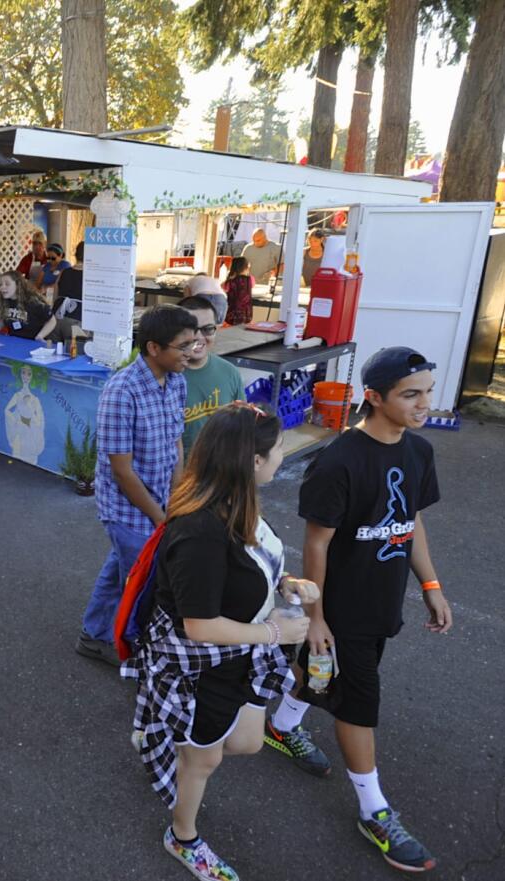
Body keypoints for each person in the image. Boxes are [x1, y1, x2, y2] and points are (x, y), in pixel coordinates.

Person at [266, 346, 450, 873]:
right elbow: (317, 545)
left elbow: (409, 520)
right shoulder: (340, 459)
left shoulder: (418, 453)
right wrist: (317, 616)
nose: (422, 404)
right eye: (410, 394)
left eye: (427, 393)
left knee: (323, 675)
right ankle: (374, 811)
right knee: (358, 701)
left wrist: (431, 583)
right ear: (374, 397)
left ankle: (280, 725)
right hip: (340, 607)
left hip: (383, 598)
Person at [125, 402, 316, 881]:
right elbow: (199, 626)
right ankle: (182, 836)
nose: (282, 456)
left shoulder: (238, 501)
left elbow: (245, 571)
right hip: (202, 664)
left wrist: (286, 584)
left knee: (248, 743)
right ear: (252, 460)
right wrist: (275, 631)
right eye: (278, 449)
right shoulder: (200, 530)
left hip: (242, 652)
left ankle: (170, 738)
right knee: (206, 757)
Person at [76, 305, 197, 662]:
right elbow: (122, 472)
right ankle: (136, 649)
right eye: (183, 345)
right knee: (147, 584)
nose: (191, 352)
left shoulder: (177, 380)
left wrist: (177, 497)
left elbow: (175, 441)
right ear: (153, 348)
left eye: (194, 342)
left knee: (122, 569)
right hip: (128, 509)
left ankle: (93, 635)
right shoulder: (121, 391)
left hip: (161, 503)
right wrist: (161, 518)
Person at [177, 296, 246, 455]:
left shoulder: (230, 373)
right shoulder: (166, 377)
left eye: (207, 329)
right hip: (177, 475)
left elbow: (241, 428)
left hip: (220, 472)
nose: (199, 337)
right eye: (191, 329)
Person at [0, 271, 59, 342]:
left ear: (18, 285)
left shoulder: (33, 302)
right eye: (0, 284)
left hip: (31, 344)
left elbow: (52, 320)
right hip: (14, 343)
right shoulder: (6, 301)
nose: (2, 287)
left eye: (7, 284)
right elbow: (5, 318)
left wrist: (40, 336)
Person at [222, 257, 254, 326]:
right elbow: (253, 285)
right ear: (246, 267)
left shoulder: (230, 281)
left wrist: (230, 277)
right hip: (246, 314)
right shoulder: (250, 279)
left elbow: (222, 287)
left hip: (232, 314)